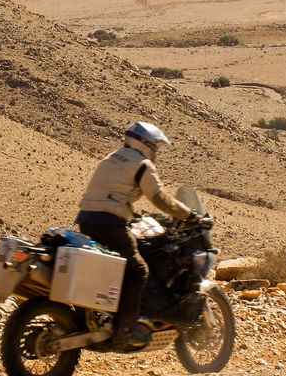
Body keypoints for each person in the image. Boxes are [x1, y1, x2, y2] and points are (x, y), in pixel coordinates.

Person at [75, 121, 198, 346]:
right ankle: (125, 330)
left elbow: (112, 192)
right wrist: (189, 215)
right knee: (138, 271)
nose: (156, 152)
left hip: (87, 220)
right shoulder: (142, 165)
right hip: (110, 223)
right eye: (155, 147)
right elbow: (160, 198)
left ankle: (106, 314)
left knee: (116, 266)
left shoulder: (111, 158)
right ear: (146, 144)